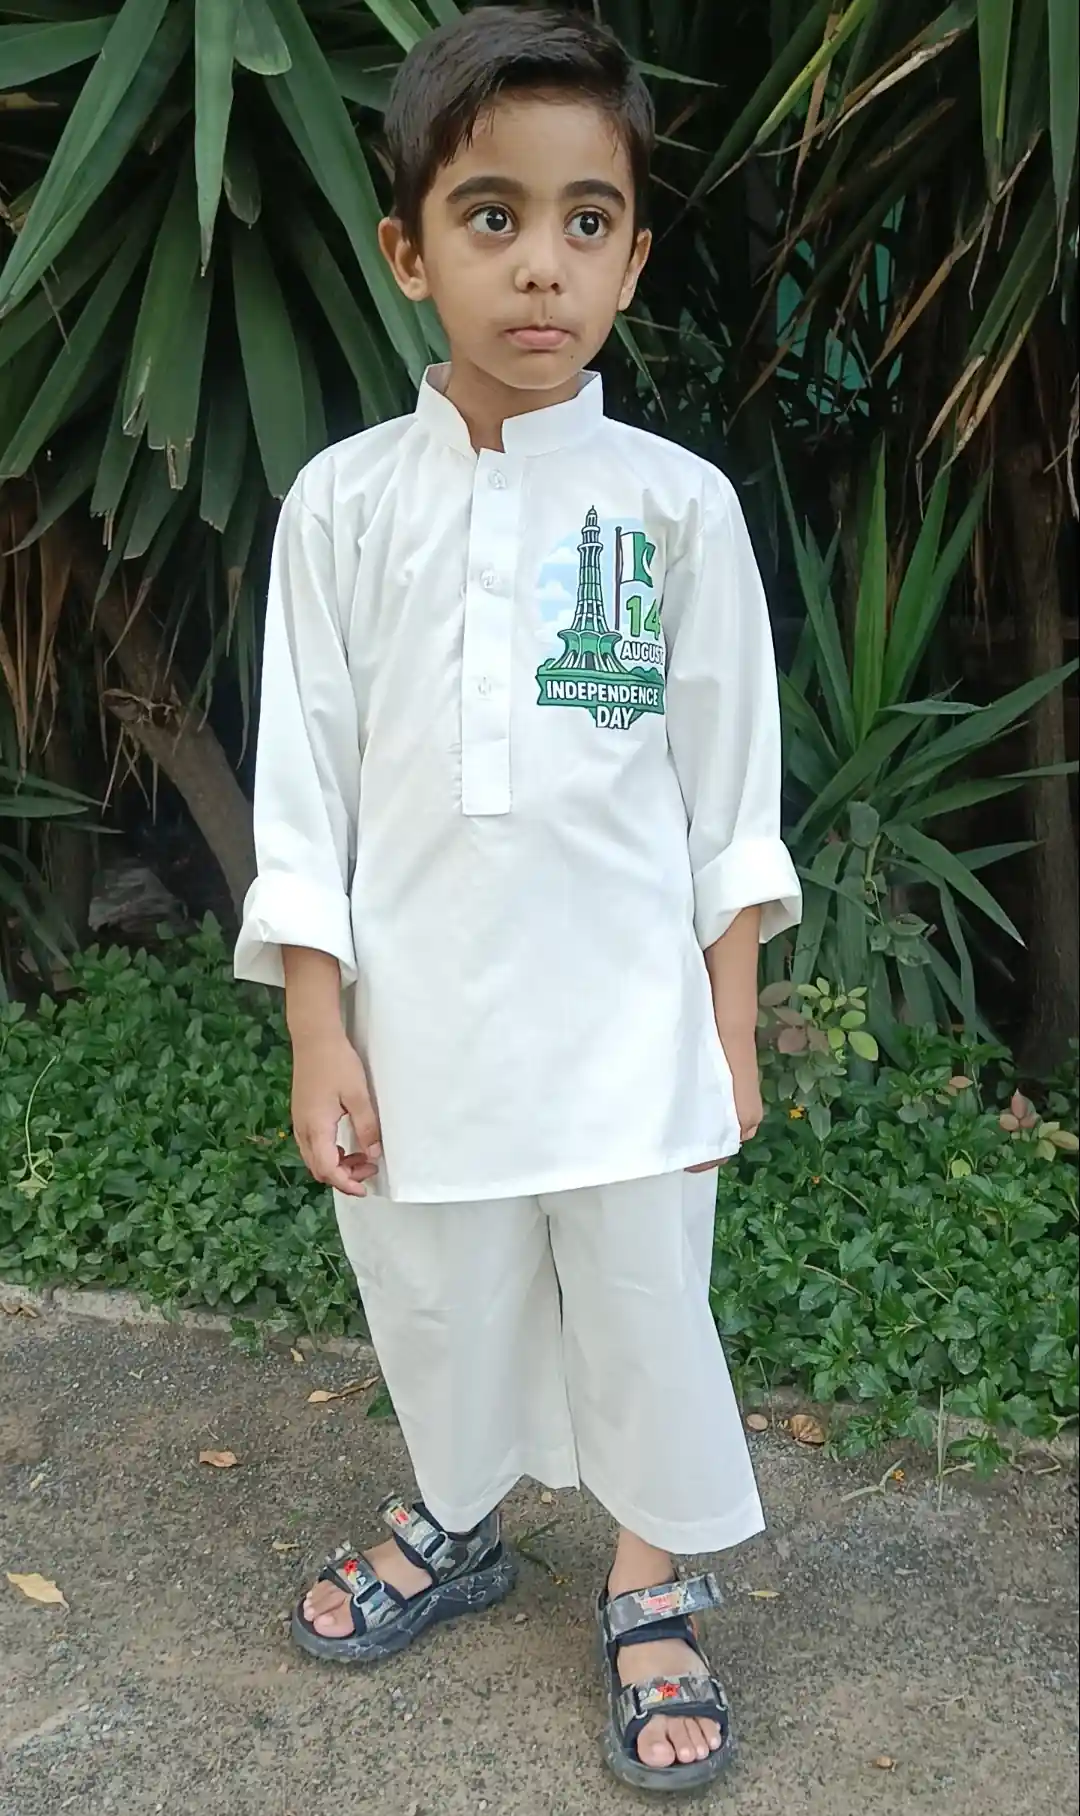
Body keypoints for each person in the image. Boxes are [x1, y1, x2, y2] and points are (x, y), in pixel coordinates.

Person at [234, 4, 800, 1794]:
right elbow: (304, 788)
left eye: (582, 222)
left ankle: (650, 1576)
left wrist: (726, 1024)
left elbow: (729, 791)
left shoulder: (676, 511)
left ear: (631, 256)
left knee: (644, 1296)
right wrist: (321, 1024)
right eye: (491, 217)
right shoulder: (339, 510)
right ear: (410, 253)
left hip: (631, 1022)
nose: (538, 266)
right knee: (438, 1288)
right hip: (423, 1021)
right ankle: (461, 1511)